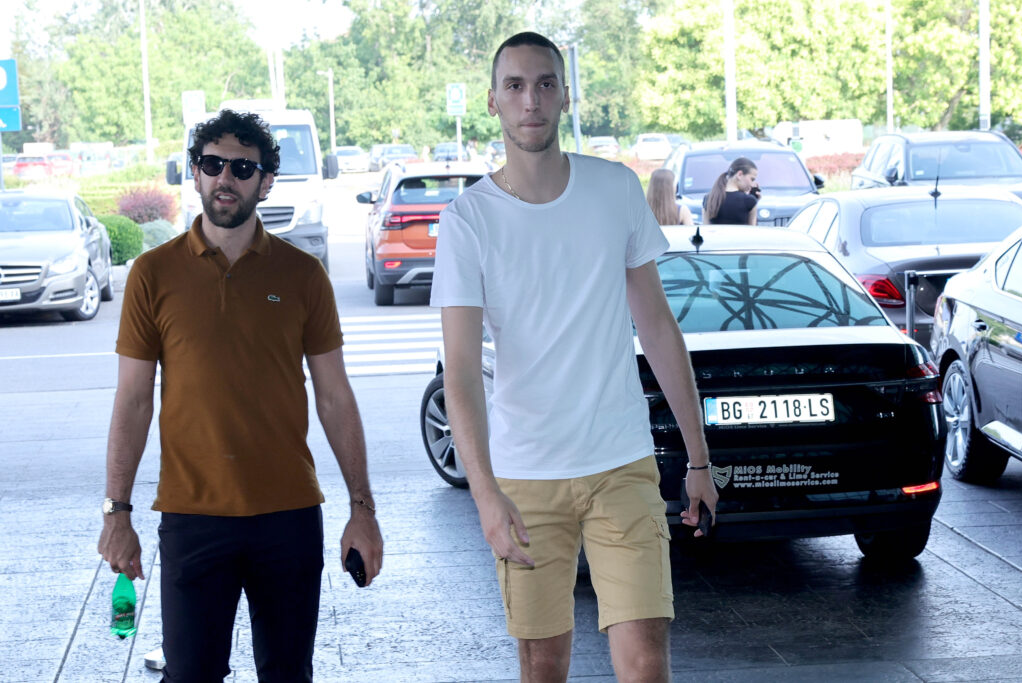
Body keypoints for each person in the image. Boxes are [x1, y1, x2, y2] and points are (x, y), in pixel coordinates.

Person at [431, 32, 717, 682]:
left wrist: (699, 458)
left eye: (544, 84)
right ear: (493, 103)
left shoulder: (615, 189)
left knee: (646, 661)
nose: (530, 99)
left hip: (621, 462)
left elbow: (659, 328)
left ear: (564, 96)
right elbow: (460, 372)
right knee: (543, 664)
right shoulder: (469, 220)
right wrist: (484, 493)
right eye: (515, 86)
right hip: (525, 475)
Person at [97, 109, 383, 682]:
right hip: (191, 516)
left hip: (288, 515)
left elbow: (334, 396)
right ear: (197, 175)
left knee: (287, 674)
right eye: (212, 164)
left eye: (242, 167)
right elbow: (132, 400)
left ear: (266, 180)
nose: (225, 177)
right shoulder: (153, 274)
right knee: (192, 674)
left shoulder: (303, 275)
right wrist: (117, 512)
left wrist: (362, 508)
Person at [703, 156, 760, 225]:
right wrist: (754, 202)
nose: (752, 184)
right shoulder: (749, 201)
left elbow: (705, 230)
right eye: (752, 179)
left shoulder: (709, 198)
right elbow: (753, 232)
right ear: (739, 174)